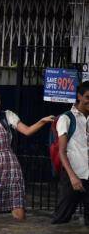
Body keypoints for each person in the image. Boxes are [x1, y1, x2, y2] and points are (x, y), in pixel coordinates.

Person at [0, 86, 54, 220]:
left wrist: (42, 121)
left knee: (17, 206)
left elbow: (27, 131)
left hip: (11, 166)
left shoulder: (7, 115)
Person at [52, 81, 89, 225]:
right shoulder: (66, 118)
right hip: (73, 177)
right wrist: (72, 177)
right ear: (79, 97)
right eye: (87, 97)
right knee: (61, 220)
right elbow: (62, 151)